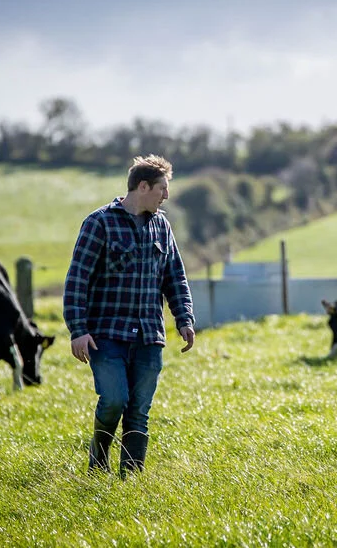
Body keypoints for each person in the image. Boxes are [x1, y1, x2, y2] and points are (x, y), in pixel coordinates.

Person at [64, 154, 196, 477]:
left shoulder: (162, 226)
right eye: (162, 188)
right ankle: (99, 459)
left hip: (149, 336)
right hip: (106, 336)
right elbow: (77, 280)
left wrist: (184, 319)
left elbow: (175, 277)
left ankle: (131, 479)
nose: (166, 196)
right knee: (113, 400)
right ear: (143, 186)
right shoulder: (99, 223)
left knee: (138, 411)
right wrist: (78, 330)